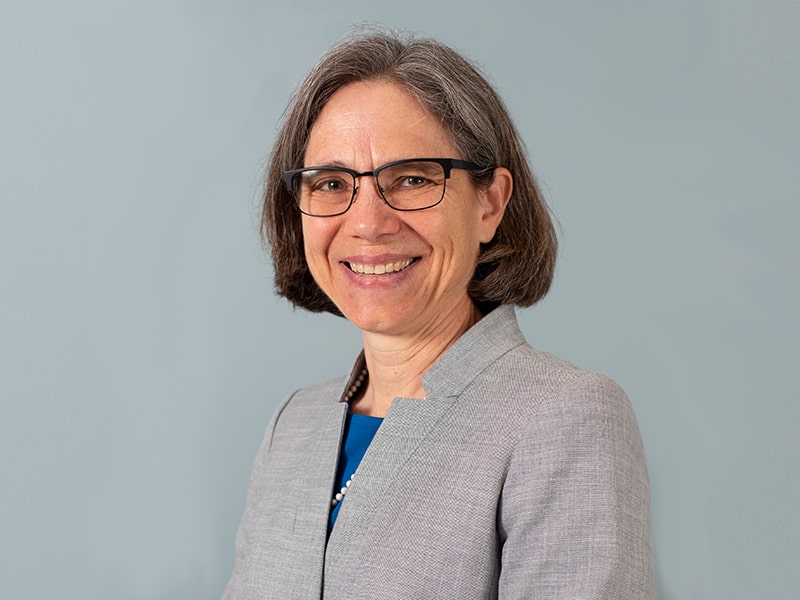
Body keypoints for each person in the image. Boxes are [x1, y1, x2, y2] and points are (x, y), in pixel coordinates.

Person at [223, 28, 654, 600]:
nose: (368, 223)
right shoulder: (292, 426)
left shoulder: (564, 418)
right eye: (330, 183)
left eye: (412, 179)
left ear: (489, 204)